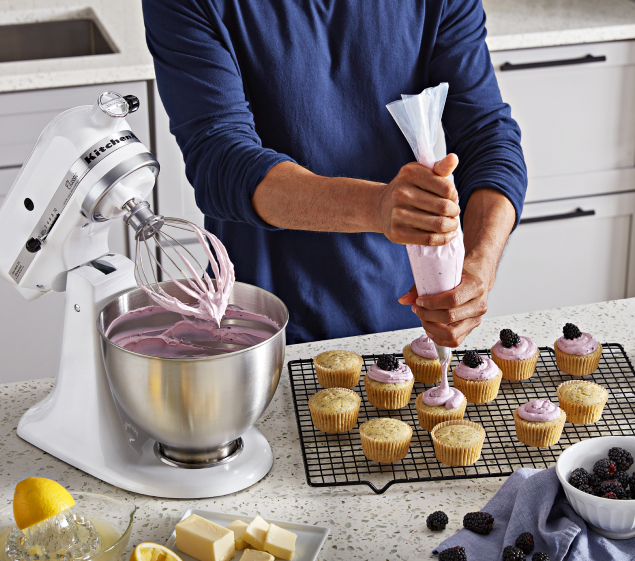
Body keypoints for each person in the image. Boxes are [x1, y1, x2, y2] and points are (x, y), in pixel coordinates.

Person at [142, 0, 527, 346]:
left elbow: (487, 136)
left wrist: (479, 263)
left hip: (409, 317)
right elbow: (221, 160)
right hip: (262, 327)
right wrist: (377, 206)